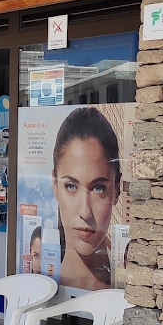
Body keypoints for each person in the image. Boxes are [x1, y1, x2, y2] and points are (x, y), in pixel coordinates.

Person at [51, 107, 120, 290]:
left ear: (117, 189)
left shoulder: (132, 290)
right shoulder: (42, 288)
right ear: (55, 185)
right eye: (71, 186)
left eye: (98, 188)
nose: (85, 211)